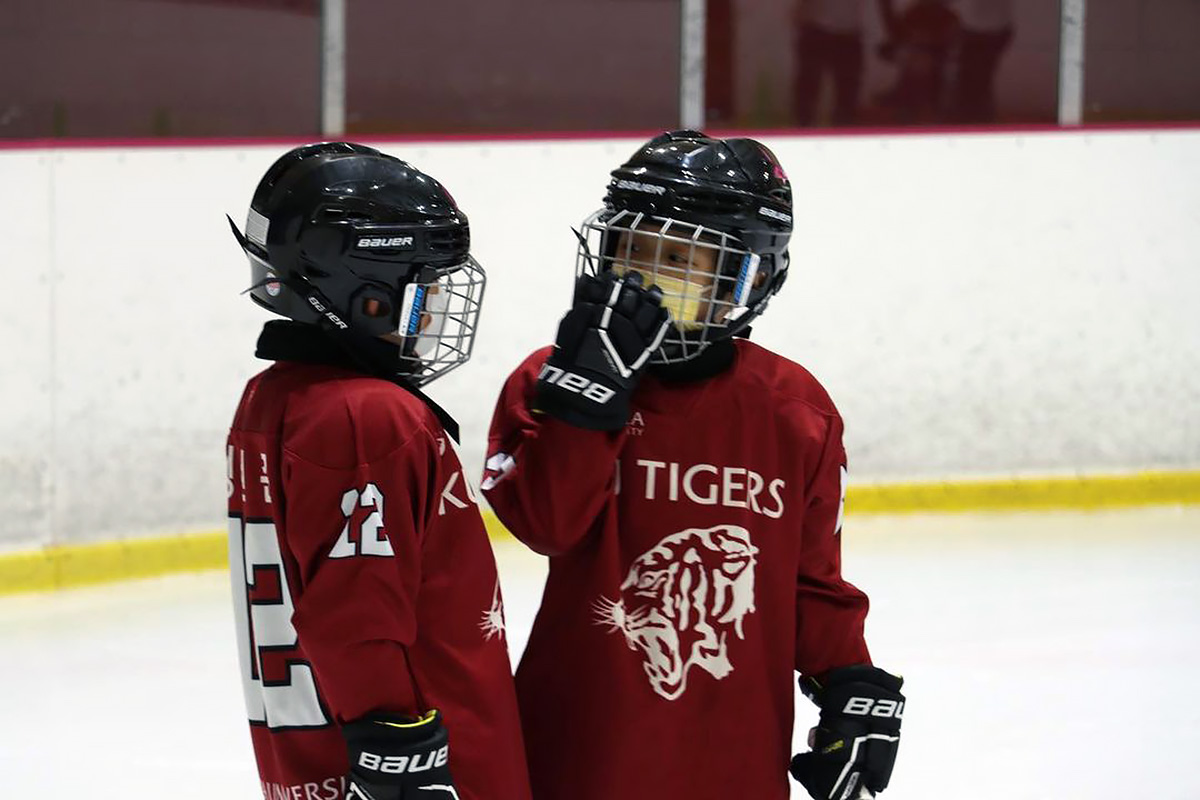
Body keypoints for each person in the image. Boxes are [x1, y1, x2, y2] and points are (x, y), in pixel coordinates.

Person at [481, 129, 905, 800]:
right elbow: (546, 525)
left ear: (750, 276)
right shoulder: (548, 381)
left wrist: (848, 680)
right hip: (577, 758)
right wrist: (587, 400)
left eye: (678, 257)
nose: (643, 277)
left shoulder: (794, 411)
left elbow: (808, 579)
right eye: (631, 249)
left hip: (734, 762)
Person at [225, 141, 531, 800]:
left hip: (319, 767)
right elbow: (355, 622)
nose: (435, 309)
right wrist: (401, 763)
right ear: (365, 295)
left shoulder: (273, 398)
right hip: (428, 775)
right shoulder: (366, 415)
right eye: (422, 287)